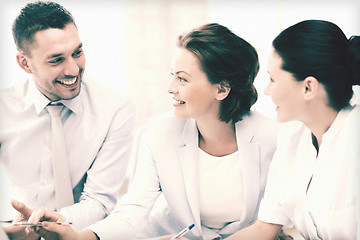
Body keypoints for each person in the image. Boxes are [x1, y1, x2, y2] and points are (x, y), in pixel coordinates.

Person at [14, 23, 280, 239]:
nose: (170, 87)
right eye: (172, 75)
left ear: (221, 89)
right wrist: (79, 236)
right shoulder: (160, 132)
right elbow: (134, 209)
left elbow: (275, 220)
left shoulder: (272, 138)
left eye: (183, 79)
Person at [0, 1, 135, 239]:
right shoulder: (3, 108)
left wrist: (55, 224)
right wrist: (8, 231)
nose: (73, 69)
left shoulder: (116, 108)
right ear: (25, 63)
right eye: (56, 60)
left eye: (77, 52)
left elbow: (100, 201)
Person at [224, 20, 359, 239]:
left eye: (273, 79)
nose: (266, 91)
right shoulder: (292, 134)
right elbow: (264, 228)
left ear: (308, 87)